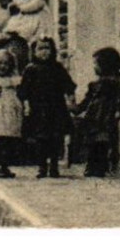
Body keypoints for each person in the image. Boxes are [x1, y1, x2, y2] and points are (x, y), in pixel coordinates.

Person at [19, 36, 76, 178]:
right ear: (34, 51)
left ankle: (54, 166)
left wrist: (70, 99)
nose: (44, 52)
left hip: (56, 108)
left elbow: (68, 85)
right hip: (38, 109)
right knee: (41, 139)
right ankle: (42, 166)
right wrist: (26, 105)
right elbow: (24, 90)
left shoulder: (57, 67)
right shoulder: (30, 69)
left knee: (56, 137)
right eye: (40, 48)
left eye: (47, 48)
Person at [74, 47, 120, 177]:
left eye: (96, 63)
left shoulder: (114, 84)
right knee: (93, 141)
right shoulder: (94, 85)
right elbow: (86, 102)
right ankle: (92, 165)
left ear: (105, 64)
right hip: (94, 117)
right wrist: (76, 108)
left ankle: (99, 166)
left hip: (105, 117)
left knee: (101, 141)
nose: (94, 67)